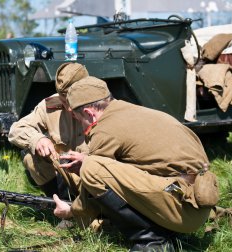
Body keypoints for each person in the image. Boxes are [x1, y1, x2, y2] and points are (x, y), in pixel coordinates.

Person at [53, 76, 217, 251]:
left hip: (183, 211)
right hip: (198, 204)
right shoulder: (133, 111)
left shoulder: (105, 127)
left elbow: (93, 178)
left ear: (88, 113)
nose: (81, 124)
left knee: (92, 168)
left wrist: (72, 212)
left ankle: (154, 240)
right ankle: (162, 230)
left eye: (78, 119)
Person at [8, 63, 89, 200]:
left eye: (73, 102)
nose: (69, 109)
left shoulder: (101, 106)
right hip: (67, 177)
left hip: (96, 178)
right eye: (64, 102)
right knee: (31, 157)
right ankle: (61, 204)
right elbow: (15, 130)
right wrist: (37, 139)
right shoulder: (50, 106)